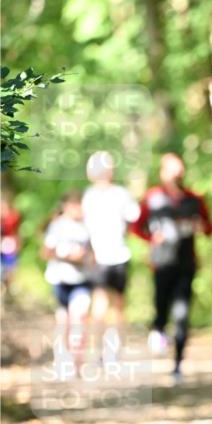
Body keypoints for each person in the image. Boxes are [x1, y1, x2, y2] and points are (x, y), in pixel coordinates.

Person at [131, 153, 212, 382]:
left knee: (182, 314)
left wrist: (201, 226)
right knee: (161, 308)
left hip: (187, 265)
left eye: (179, 172)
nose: (175, 177)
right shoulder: (153, 197)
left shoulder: (194, 200)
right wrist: (152, 239)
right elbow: (137, 227)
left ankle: (178, 364)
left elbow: (209, 228)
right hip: (161, 263)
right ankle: (157, 330)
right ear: (162, 173)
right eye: (171, 172)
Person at [82, 150, 140, 362]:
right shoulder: (121, 194)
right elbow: (134, 215)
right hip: (116, 255)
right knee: (116, 305)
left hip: (102, 256)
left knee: (101, 304)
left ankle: (99, 352)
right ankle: (112, 352)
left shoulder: (88, 196)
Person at [41, 190, 94, 378]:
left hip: (83, 280)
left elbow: (93, 254)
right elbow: (45, 252)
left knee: (78, 317)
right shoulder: (57, 226)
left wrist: (84, 257)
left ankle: (78, 361)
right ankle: (62, 359)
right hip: (60, 280)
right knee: (63, 321)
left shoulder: (88, 225)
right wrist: (66, 255)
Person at [1, 193, 22, 294]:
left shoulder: (14, 215)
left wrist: (18, 243)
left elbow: (17, 231)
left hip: (9, 245)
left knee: (10, 267)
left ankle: (7, 286)